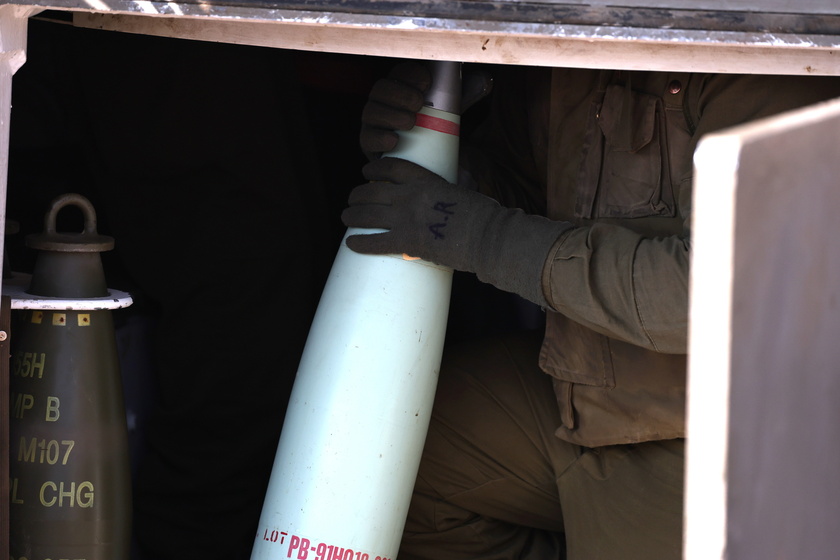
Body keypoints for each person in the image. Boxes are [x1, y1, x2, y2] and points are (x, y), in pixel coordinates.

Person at [342, 62, 840, 559]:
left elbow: (730, 293)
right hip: (589, 381)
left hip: (727, 428)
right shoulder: (572, 45)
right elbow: (535, 199)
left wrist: (478, 235)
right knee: (378, 459)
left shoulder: (754, 52)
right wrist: (428, 160)